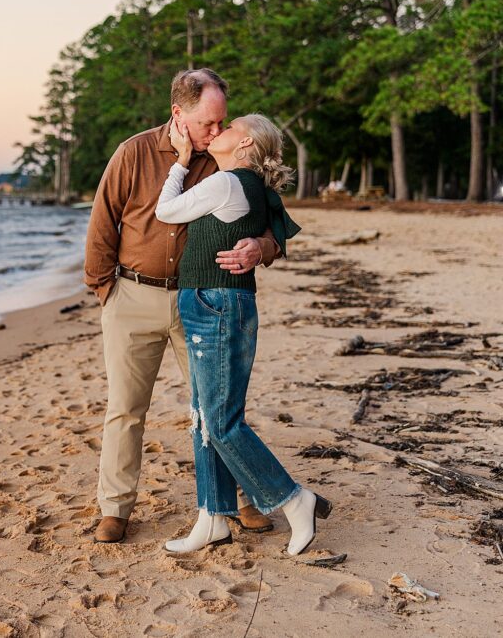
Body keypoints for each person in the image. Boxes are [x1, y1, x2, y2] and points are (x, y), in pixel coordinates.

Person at [84, 69, 282, 545]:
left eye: (222, 122)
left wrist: (261, 247)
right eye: (207, 123)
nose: (217, 131)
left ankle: (240, 500)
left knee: (216, 405)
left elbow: (275, 222)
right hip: (133, 296)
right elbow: (103, 220)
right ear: (178, 112)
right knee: (126, 409)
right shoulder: (134, 152)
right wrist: (104, 289)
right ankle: (115, 509)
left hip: (204, 301)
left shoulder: (230, 158)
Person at [155, 113, 331, 556]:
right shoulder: (248, 185)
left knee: (220, 421)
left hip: (216, 304)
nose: (219, 131)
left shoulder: (228, 182)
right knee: (204, 417)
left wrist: (180, 162)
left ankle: (294, 499)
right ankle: (212, 518)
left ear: (246, 143)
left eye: (229, 127)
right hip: (215, 303)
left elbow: (165, 211)